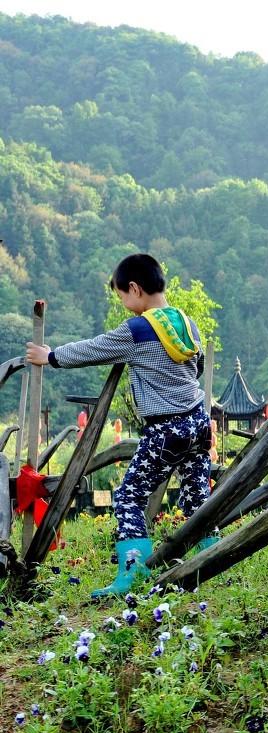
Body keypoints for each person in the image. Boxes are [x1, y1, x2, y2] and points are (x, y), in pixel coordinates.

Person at [25, 253, 218, 597]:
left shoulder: (139, 328)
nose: (125, 305)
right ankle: (214, 562)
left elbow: (93, 349)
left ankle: (132, 573)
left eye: (122, 297)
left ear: (134, 289)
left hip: (165, 429)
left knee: (129, 496)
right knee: (197, 495)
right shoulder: (188, 324)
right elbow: (198, 367)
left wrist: (50, 357)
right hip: (199, 422)